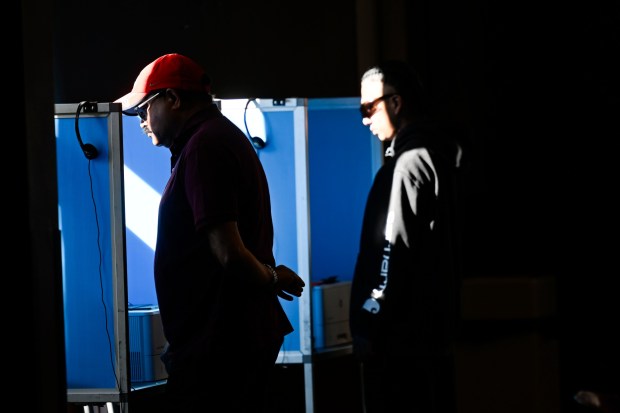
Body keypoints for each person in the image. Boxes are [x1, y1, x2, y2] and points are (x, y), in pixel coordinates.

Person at [115, 53, 305, 412]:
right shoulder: (211, 140)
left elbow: (228, 251)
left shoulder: (205, 147)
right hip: (220, 340)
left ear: (172, 99)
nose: (140, 120)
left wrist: (271, 277)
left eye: (144, 109)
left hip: (222, 345)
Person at [349, 60, 465, 413]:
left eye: (369, 107)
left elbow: (391, 252)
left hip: (399, 344)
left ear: (396, 103)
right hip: (433, 339)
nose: (365, 119)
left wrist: (370, 318)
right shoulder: (442, 157)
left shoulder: (407, 165)